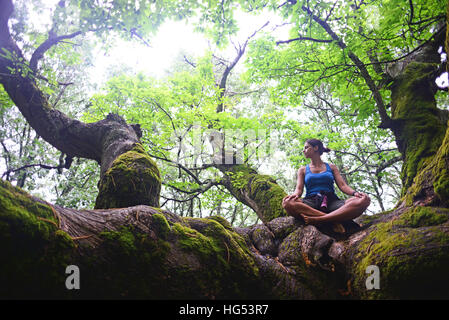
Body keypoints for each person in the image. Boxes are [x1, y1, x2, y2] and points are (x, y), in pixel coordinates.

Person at [282, 139, 370, 232]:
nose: (303, 150)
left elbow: (343, 185)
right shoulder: (302, 170)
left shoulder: (331, 167)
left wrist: (355, 193)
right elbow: (299, 190)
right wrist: (293, 196)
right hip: (311, 202)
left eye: (306, 147)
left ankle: (320, 219)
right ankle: (333, 219)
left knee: (364, 200)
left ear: (316, 148)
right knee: (287, 203)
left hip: (332, 201)